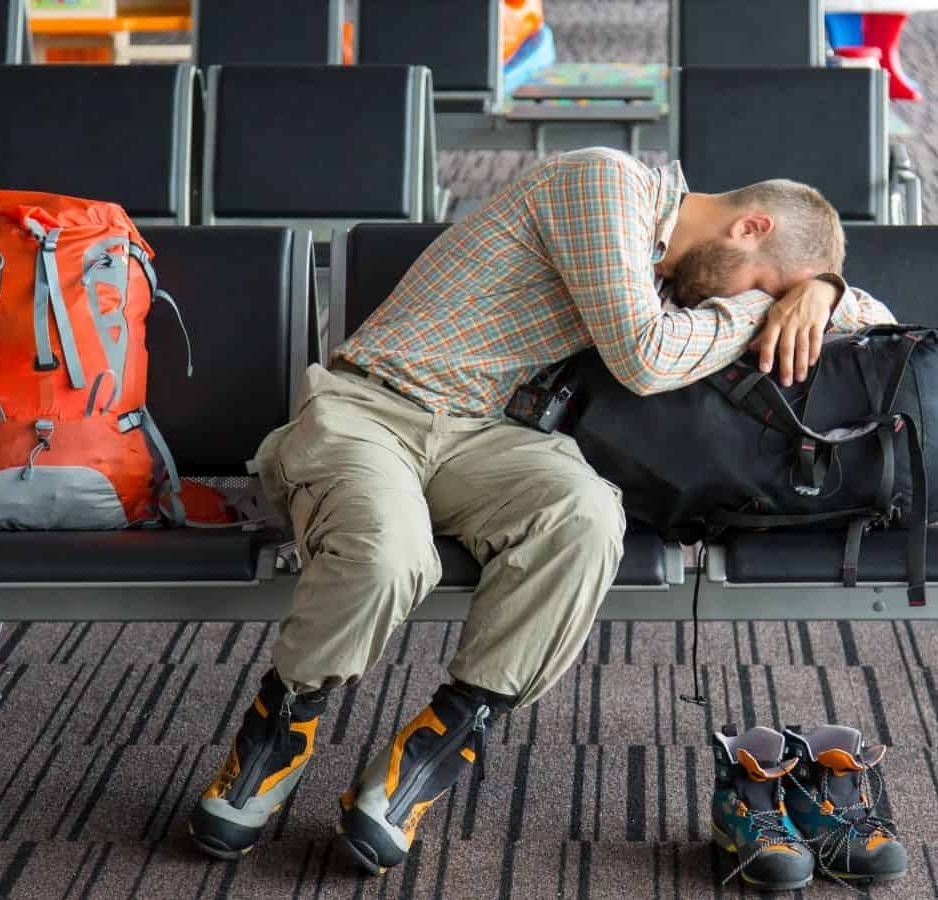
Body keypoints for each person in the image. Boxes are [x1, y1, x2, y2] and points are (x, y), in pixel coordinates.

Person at [186, 147, 897, 874]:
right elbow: (646, 358)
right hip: (371, 410)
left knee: (588, 517)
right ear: (749, 228)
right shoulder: (604, 181)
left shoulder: (676, 267)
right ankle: (281, 725)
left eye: (769, 301)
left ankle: (440, 741)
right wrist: (758, 307)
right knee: (389, 556)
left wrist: (823, 293)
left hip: (488, 435)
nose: (756, 307)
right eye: (764, 287)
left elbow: (881, 322)